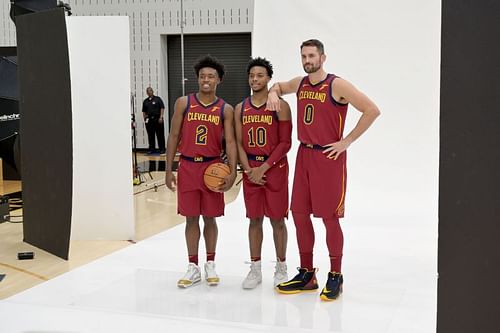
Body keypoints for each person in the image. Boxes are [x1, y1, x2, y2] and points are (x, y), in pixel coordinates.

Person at [267, 39, 380, 301]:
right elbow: (281, 86)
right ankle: (307, 274)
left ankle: (336, 275)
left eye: (311, 56)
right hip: (304, 154)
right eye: (304, 56)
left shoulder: (336, 85)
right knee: (299, 214)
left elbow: (372, 110)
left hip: (328, 158)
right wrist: (273, 92)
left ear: (323, 58)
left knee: (330, 218)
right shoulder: (301, 83)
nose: (307, 60)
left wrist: (347, 141)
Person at [165, 55, 237, 288]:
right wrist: (169, 169)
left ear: (219, 80)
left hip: (212, 167)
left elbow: (232, 142)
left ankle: (210, 263)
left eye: (211, 76)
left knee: (210, 218)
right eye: (202, 76)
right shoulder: (183, 103)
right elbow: (174, 136)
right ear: (197, 79)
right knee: (191, 218)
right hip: (187, 166)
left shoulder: (225, 109)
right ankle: (192, 266)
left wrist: (233, 172)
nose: (206, 80)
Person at [234, 57, 292, 289]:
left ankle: (281, 266)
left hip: (274, 169)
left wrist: (263, 168)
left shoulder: (281, 106)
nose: (255, 79)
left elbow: (285, 143)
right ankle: (255, 269)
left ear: (269, 78)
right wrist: (249, 169)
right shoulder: (241, 107)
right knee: (254, 219)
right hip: (251, 170)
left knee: (278, 220)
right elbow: (238, 142)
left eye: (260, 75)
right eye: (251, 75)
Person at [142, 87, 166, 154]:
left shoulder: (158, 99)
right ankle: (151, 149)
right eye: (148, 91)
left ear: (153, 91)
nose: (149, 92)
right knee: (150, 135)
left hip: (158, 119)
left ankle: (162, 149)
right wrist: (145, 118)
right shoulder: (145, 101)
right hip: (149, 120)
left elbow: (162, 108)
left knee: (160, 135)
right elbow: (143, 111)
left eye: (150, 90)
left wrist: (161, 117)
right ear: (147, 93)